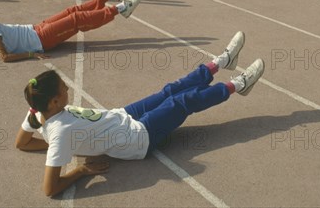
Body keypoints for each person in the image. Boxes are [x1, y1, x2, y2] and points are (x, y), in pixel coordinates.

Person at [14, 31, 265, 197]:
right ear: (55, 101)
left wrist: (53, 144)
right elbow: (49, 189)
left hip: (123, 116)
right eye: (64, 89)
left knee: (171, 90)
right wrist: (78, 170)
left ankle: (221, 62)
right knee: (182, 101)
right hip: (137, 139)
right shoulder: (59, 133)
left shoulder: (36, 111)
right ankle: (238, 85)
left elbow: (21, 143)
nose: (68, 89)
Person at [0, 0, 140, 63]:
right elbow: (5, 57)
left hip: (36, 29)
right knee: (76, 19)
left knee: (72, 10)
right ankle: (120, 9)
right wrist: (32, 54)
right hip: (42, 39)